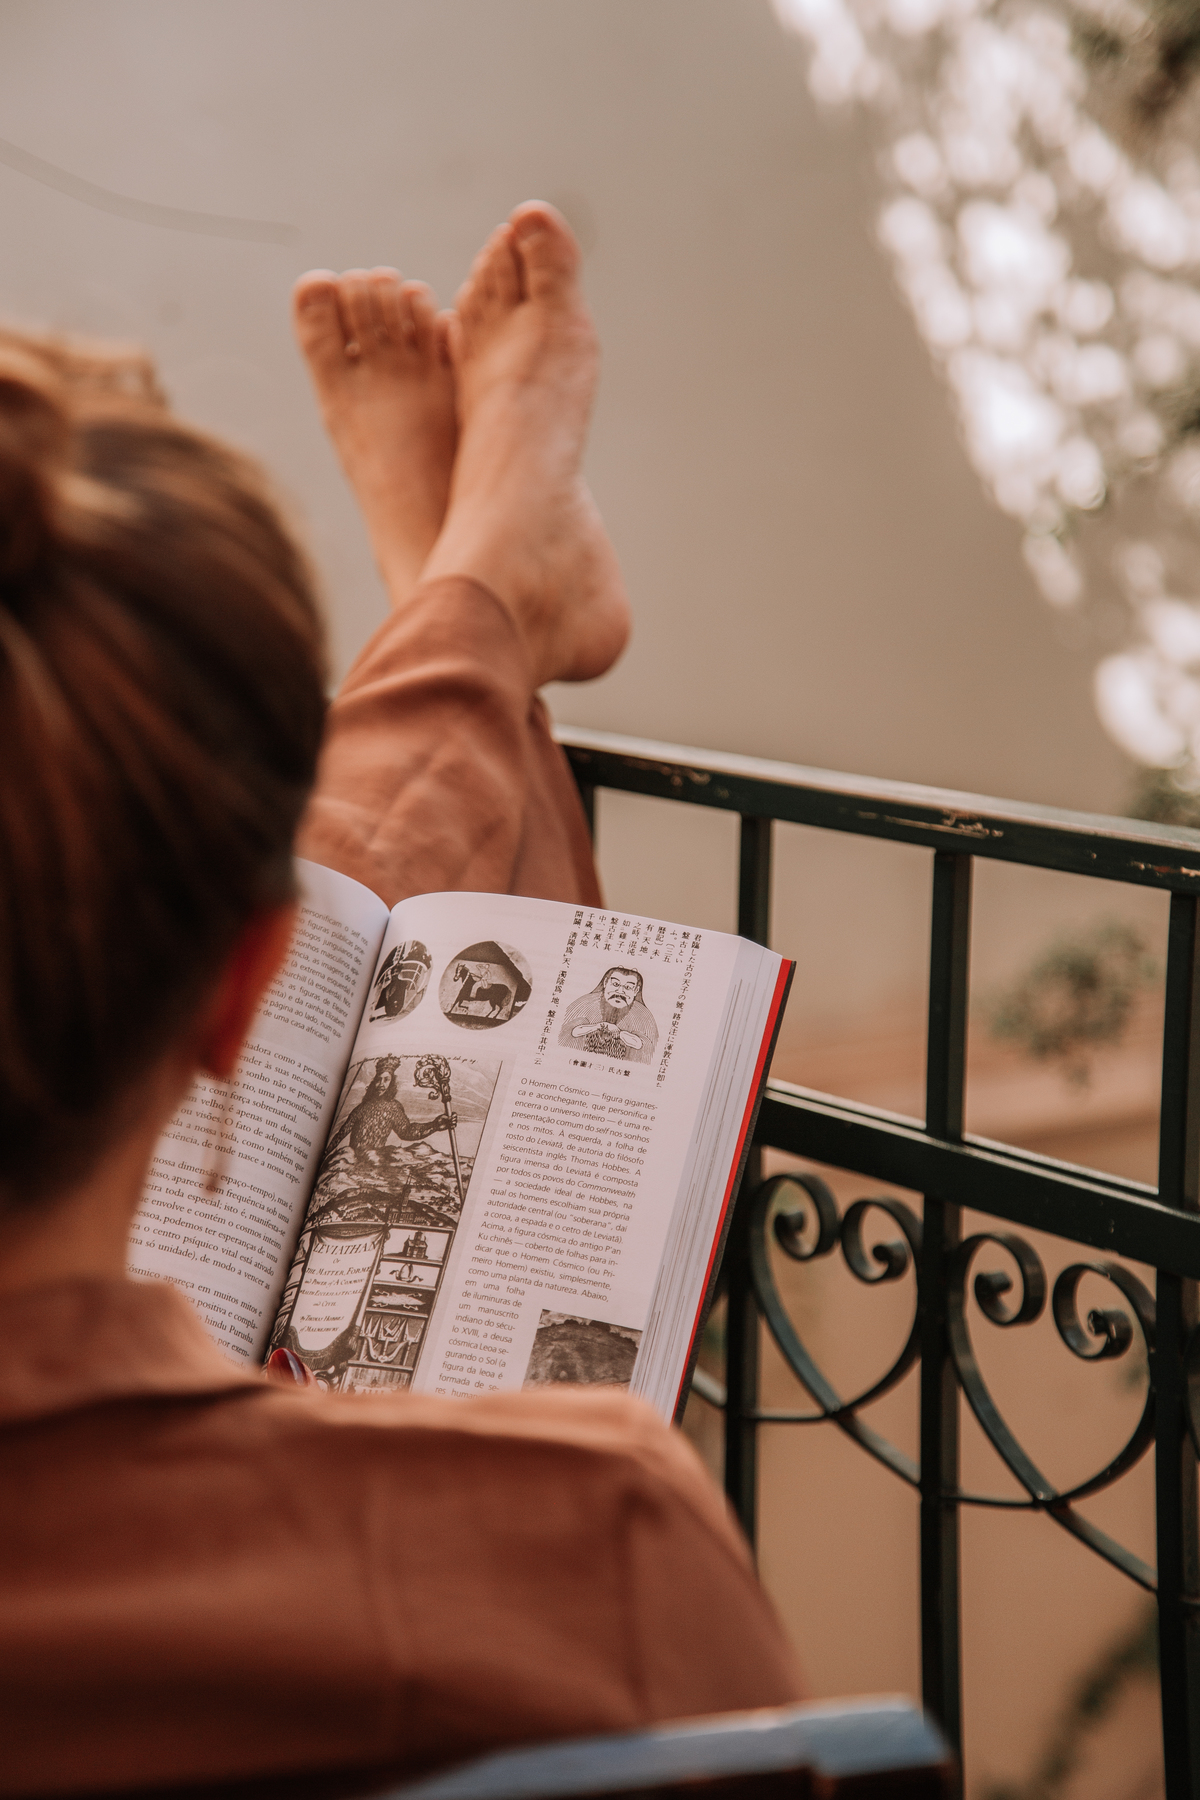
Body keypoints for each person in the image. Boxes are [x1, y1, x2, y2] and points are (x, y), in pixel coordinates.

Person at [0, 202, 802, 1797]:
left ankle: (484, 585)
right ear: (242, 996)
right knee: (351, 866)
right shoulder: (595, 1548)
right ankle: (484, 584)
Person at [560, 966, 660, 1063]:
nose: (620, 991)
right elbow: (567, 1033)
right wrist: (598, 1026)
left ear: (636, 991)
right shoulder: (585, 1003)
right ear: (605, 983)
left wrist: (619, 1032)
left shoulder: (643, 1015)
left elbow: (646, 1047)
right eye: (615, 984)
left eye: (628, 987)